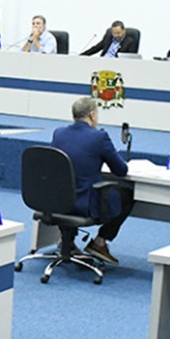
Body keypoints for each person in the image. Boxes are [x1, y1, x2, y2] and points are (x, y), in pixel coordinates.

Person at [51, 96, 133, 265]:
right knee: (127, 195)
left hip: (57, 201)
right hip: (85, 204)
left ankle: (67, 241)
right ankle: (100, 242)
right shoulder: (99, 137)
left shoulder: (58, 133)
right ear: (92, 115)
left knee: (70, 185)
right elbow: (121, 171)